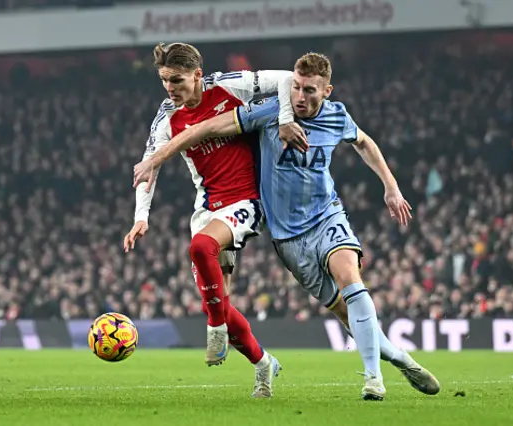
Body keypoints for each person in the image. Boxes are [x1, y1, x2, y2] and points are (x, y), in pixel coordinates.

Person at [133, 52, 441, 401]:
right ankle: (398, 358)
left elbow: (364, 143)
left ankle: (374, 380)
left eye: (310, 90)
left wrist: (391, 186)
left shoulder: (336, 115)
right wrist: (153, 165)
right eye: (296, 87)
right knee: (345, 313)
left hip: (324, 216)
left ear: (327, 91)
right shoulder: (263, 114)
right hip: (288, 237)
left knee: (351, 280)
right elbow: (206, 128)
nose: (300, 96)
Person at [123, 42, 306, 398]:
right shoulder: (166, 118)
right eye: (164, 81)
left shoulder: (231, 85)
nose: (169, 88)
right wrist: (140, 217)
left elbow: (288, 79)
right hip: (207, 208)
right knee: (219, 298)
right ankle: (263, 364)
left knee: (201, 248)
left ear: (196, 75)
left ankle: (215, 328)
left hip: (247, 201)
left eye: (176, 80)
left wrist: (285, 119)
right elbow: (149, 166)